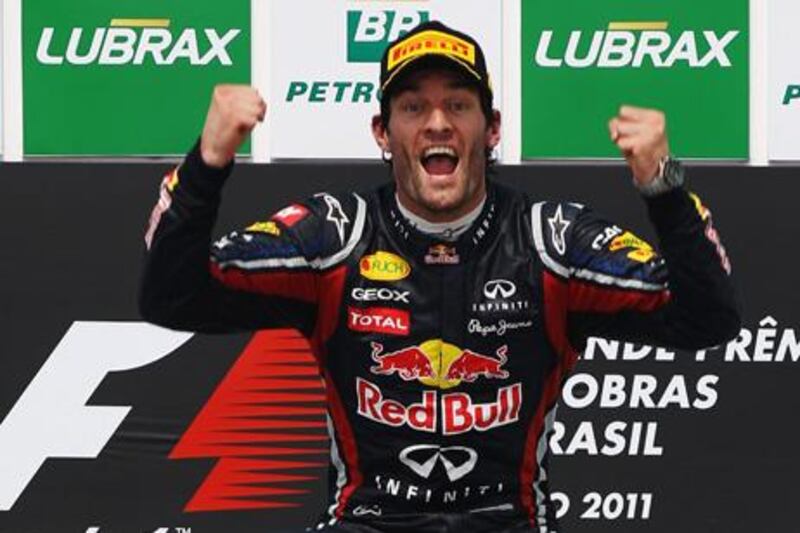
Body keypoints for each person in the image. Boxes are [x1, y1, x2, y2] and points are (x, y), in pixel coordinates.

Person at [139, 21, 740, 533]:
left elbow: (707, 318)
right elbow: (172, 297)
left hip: (509, 519)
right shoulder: (336, 235)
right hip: (368, 519)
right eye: (411, 107)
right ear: (383, 132)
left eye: (457, 104)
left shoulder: (551, 241)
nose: (436, 123)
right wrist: (207, 163)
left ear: (492, 127)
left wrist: (663, 186)